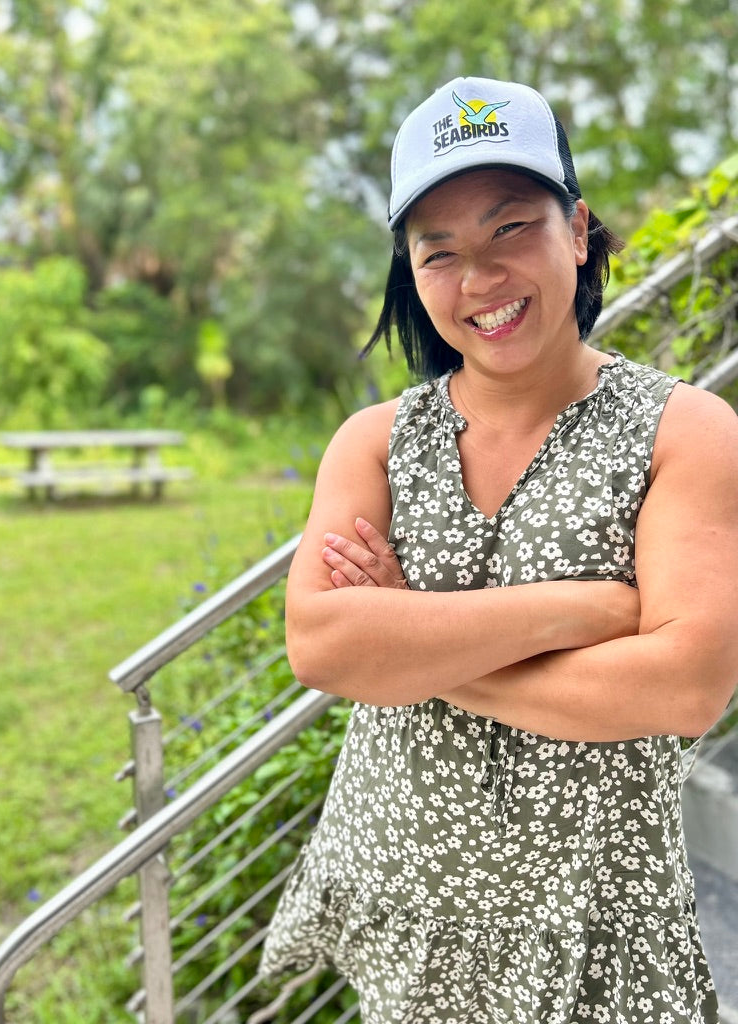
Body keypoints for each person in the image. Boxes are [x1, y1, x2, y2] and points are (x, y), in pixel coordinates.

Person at [260, 75, 738, 1024]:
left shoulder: (684, 431)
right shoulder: (375, 443)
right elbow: (321, 646)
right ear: (409, 268)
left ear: (578, 228)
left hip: (594, 936)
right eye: (440, 252)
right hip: (408, 922)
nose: (479, 280)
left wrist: (412, 645)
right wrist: (588, 608)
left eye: (511, 229)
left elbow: (685, 686)